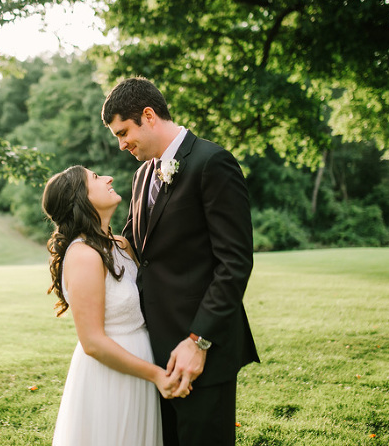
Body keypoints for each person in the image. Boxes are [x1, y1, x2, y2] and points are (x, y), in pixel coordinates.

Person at [101, 77, 260, 445]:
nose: (123, 145)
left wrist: (198, 340)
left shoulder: (212, 162)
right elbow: (136, 247)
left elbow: (234, 263)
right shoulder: (143, 174)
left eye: (124, 133)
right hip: (154, 351)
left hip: (200, 348)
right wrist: (79, 240)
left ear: (149, 115)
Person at [42, 165, 179, 446]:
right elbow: (92, 341)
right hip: (110, 376)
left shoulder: (121, 245)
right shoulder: (83, 255)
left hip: (141, 366)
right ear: (81, 198)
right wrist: (156, 375)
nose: (109, 178)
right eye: (95, 177)